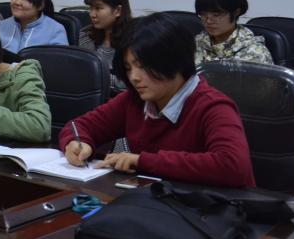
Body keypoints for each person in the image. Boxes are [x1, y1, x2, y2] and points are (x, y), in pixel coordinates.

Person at [60, 13, 255, 188]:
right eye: (128, 68)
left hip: (215, 209)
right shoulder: (134, 100)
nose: (134, 77)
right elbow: (79, 126)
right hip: (158, 203)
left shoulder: (213, 106)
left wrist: (142, 161)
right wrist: (77, 143)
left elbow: (233, 165)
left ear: (175, 61)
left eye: (142, 66)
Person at [194, 0, 272, 65]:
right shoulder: (197, 42)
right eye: (203, 15)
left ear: (236, 12)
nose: (208, 21)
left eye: (216, 15)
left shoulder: (254, 53)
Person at [77, 0, 132, 94]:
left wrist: (98, 77)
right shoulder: (86, 35)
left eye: (98, 8)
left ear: (117, 11)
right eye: (90, 8)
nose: (92, 14)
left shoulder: (133, 38)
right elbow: (82, 73)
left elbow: (131, 83)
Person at [0, 0, 67, 53]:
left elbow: (59, 59)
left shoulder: (55, 30)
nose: (17, 2)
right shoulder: (1, 26)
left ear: (40, 5)